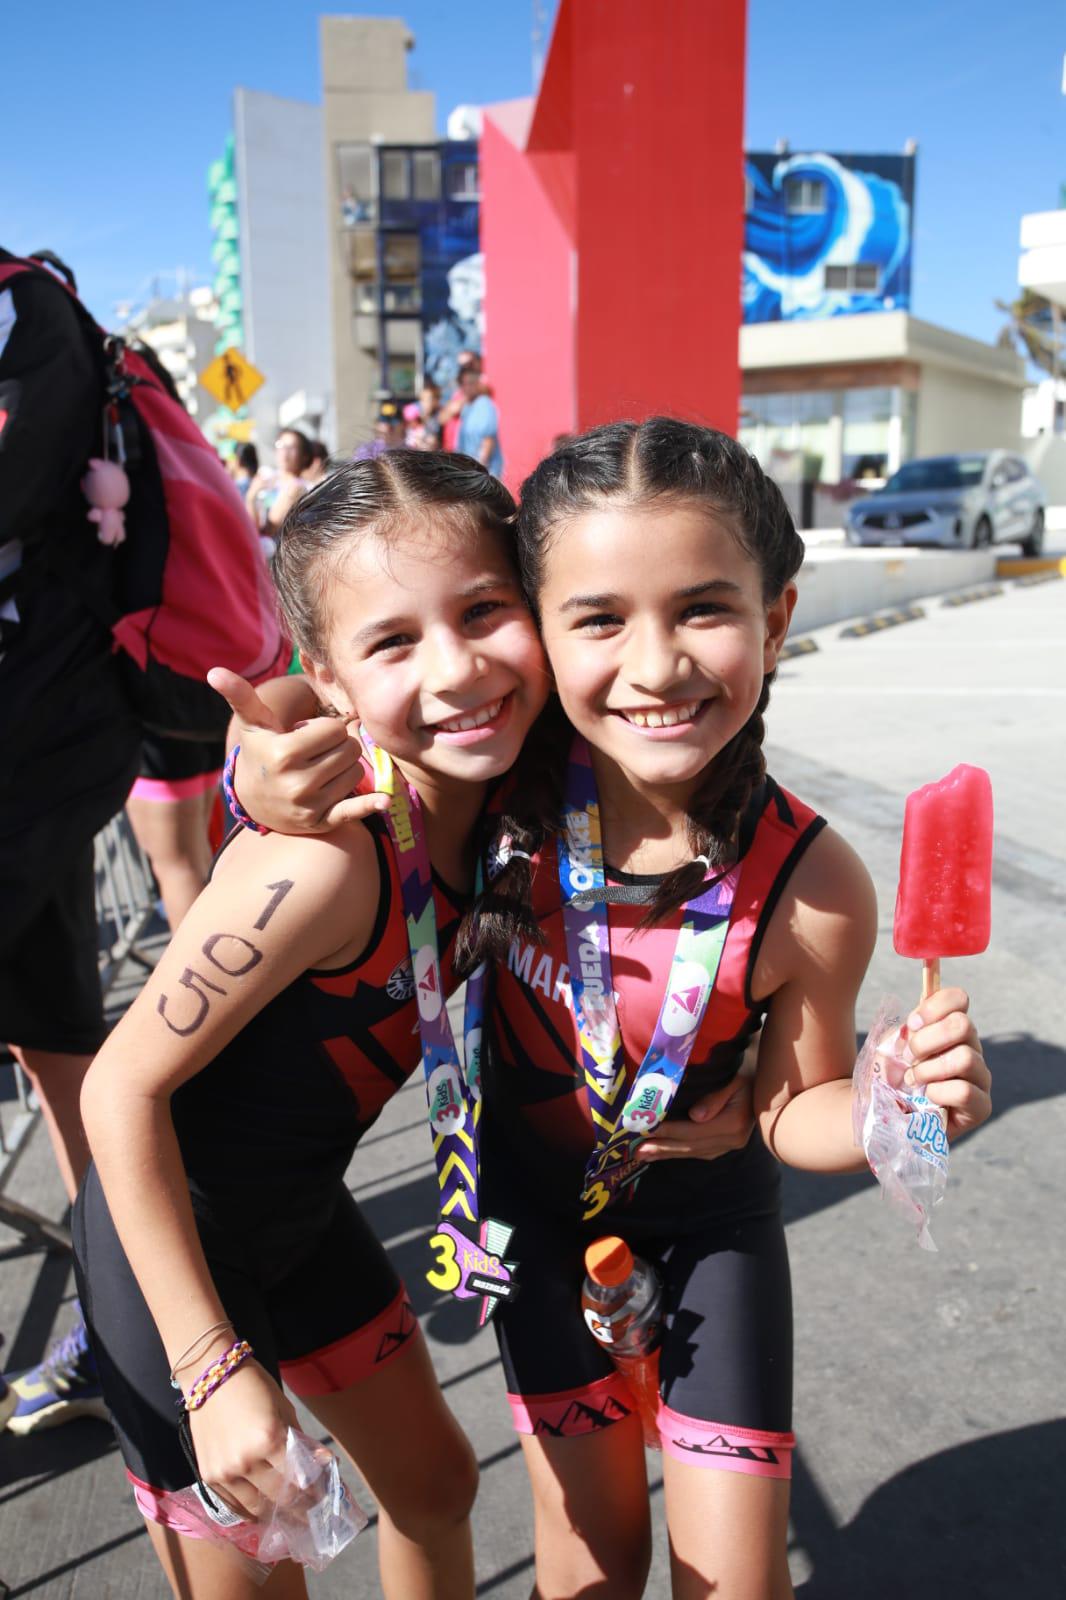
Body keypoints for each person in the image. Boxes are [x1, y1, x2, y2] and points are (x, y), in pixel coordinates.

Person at [465, 418, 991, 1600]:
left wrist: (892, 1104)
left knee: (736, 1587)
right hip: (539, 1229)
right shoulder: (490, 809)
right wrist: (254, 769)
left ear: (778, 617)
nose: (655, 666)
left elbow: (795, 1109)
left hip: (714, 1233)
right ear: (538, 636)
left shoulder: (816, 883)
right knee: (593, 1565)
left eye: (704, 608)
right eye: (598, 619)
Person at [72, 450, 549, 1598]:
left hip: (299, 1215)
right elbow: (114, 1090)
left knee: (435, 1485)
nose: (456, 667)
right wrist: (210, 1366)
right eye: (393, 641)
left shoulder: (524, 799)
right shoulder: (329, 859)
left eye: (485, 609)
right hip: (169, 1258)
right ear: (332, 680)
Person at [0, 246, 140, 1432]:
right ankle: (126, 1311)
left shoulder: (23, 309)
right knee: (58, 1048)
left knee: (67, 1058)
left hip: (34, 742)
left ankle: (132, 1320)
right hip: (39, 745)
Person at [124, 733, 225, 933]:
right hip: (199, 724)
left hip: (160, 736)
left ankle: (200, 961)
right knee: (195, 859)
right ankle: (217, 952)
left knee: (178, 868)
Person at [245, 429, 312, 552]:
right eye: (281, 445)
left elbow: (269, 530)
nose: (284, 452)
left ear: (304, 456)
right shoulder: (269, 479)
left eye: (292, 447)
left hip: (278, 556)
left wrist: (251, 496)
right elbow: (253, 527)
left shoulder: (295, 487)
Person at [455, 364, 502, 479]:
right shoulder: (466, 407)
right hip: (469, 471)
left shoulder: (485, 405)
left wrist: (478, 470)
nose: (467, 387)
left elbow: (488, 441)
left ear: (478, 384)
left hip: (483, 474)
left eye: (470, 383)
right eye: (463, 384)